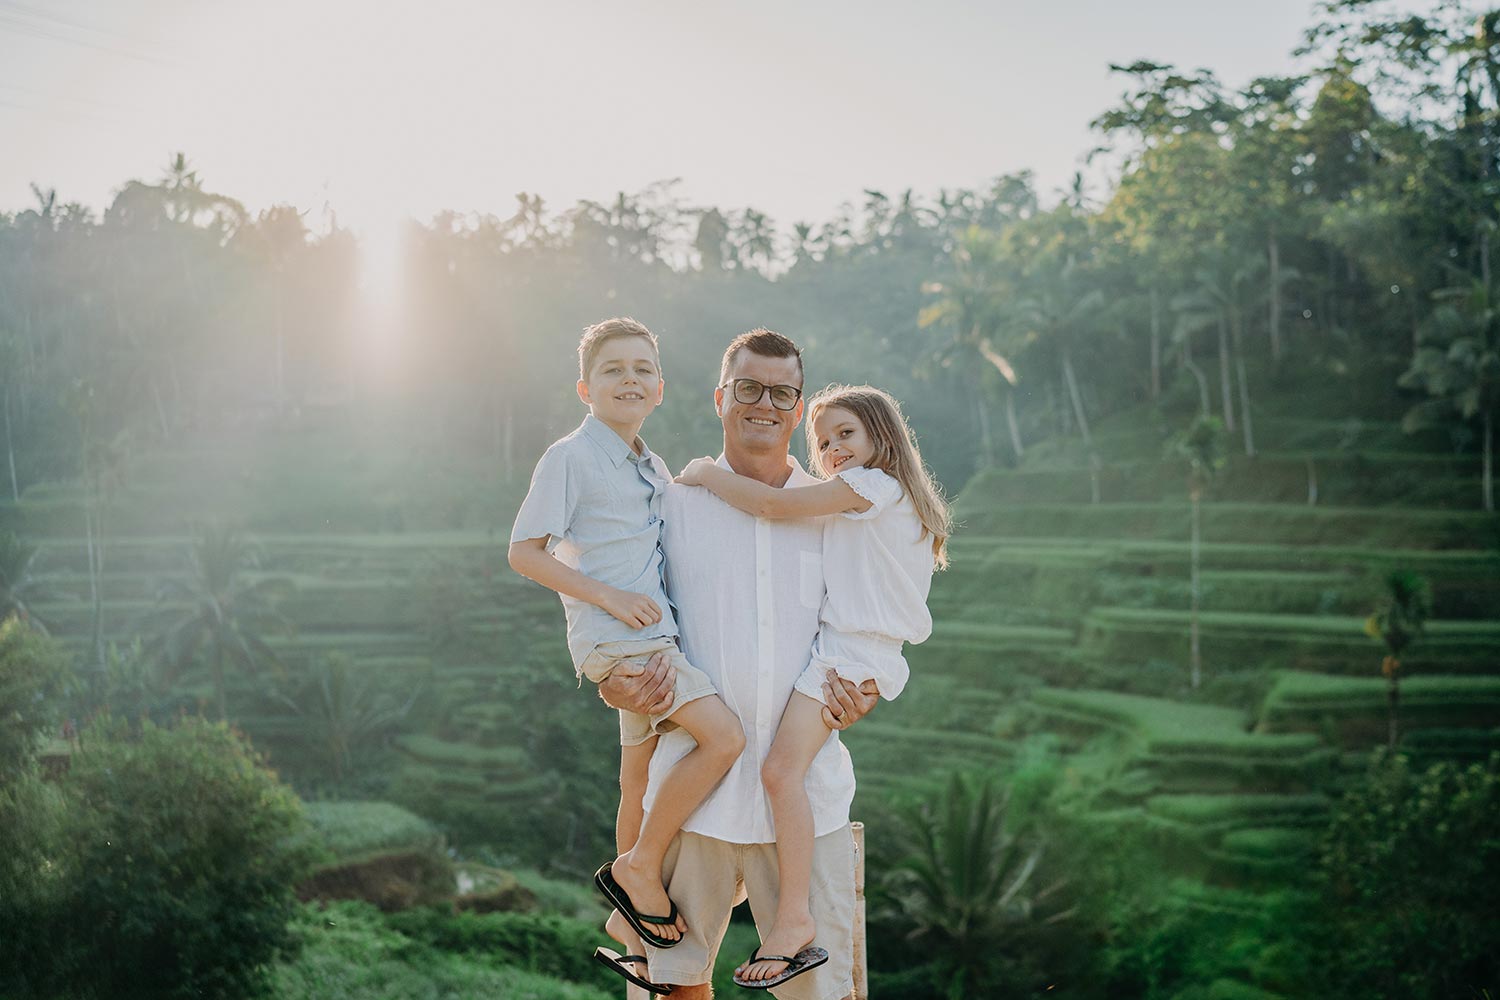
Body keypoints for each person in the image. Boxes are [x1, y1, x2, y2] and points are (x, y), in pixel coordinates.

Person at [599, 329, 882, 999]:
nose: (765, 403)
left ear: (798, 405)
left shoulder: (837, 512)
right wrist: (614, 678)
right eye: (749, 387)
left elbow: (868, 630)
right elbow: (607, 602)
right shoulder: (668, 504)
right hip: (688, 799)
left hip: (808, 804)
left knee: (821, 994)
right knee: (673, 989)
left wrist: (863, 691)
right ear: (721, 396)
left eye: (782, 392)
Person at [675, 382, 949, 987]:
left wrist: (703, 475)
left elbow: (772, 508)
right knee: (783, 772)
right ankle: (792, 918)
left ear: (883, 435)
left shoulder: (874, 487)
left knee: (779, 771)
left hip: (849, 654)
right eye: (823, 443)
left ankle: (793, 919)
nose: (832, 449)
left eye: (845, 434)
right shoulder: (871, 503)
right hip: (853, 652)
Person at [507, 317, 745, 995]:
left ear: (661, 388)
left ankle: (625, 916)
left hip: (652, 639)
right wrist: (608, 598)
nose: (629, 379)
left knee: (635, 783)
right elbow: (524, 552)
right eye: (613, 369)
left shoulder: (652, 464)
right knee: (724, 738)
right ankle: (638, 871)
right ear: (586, 386)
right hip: (622, 640)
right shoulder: (570, 457)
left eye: (642, 368)